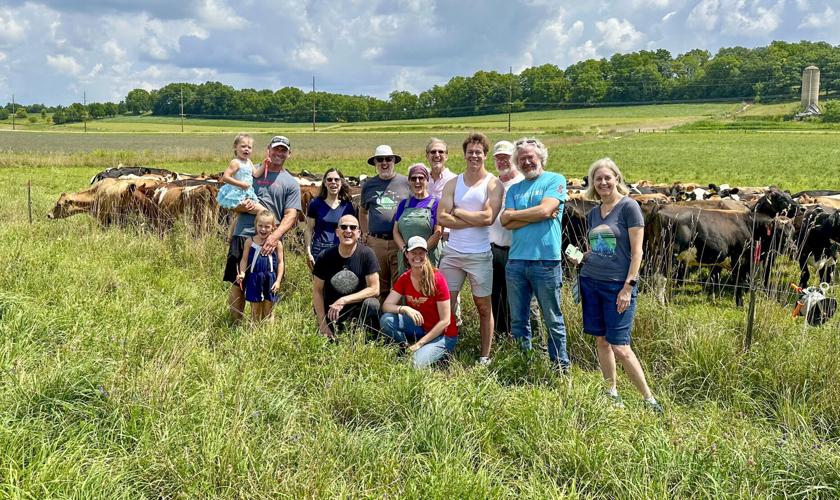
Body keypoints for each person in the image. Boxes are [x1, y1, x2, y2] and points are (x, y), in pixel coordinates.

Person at [572, 157, 661, 412]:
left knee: (621, 346)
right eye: (597, 179)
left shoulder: (629, 207)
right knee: (601, 341)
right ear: (593, 183)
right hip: (591, 282)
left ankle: (648, 399)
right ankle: (611, 392)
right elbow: (600, 249)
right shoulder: (593, 214)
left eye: (607, 178)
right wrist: (580, 256)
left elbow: (637, 253)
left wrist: (628, 287)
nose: (602, 182)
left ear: (617, 179)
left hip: (617, 287)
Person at [500, 137, 570, 372]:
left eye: (530, 157)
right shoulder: (514, 188)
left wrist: (518, 214)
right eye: (521, 159)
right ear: (517, 164)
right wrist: (538, 213)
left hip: (546, 262)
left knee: (553, 319)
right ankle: (524, 364)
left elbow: (546, 209)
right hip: (516, 261)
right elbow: (505, 221)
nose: (527, 162)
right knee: (519, 320)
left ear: (541, 157)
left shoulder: (555, 179)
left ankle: (560, 368)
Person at [437, 132, 504, 365]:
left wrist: (458, 211)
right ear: (464, 155)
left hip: (479, 254)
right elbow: (441, 218)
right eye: (470, 152)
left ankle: (485, 355)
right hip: (453, 253)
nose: (474, 156)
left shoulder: (493, 184)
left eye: (479, 152)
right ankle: (444, 348)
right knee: (446, 302)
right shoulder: (453, 183)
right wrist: (470, 218)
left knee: (483, 306)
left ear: (485, 155)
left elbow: (488, 217)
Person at [224, 135, 301, 323]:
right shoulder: (250, 171)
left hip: (269, 240)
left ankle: (263, 330)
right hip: (243, 234)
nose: (279, 153)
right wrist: (246, 206)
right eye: (276, 149)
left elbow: (291, 214)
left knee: (267, 283)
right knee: (238, 281)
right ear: (268, 150)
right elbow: (231, 199)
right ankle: (236, 324)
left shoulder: (290, 182)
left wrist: (274, 237)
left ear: (289, 154)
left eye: (283, 150)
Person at [380, 236, 457, 368]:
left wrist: (419, 344)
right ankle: (405, 347)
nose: (417, 256)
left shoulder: (437, 279)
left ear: (426, 254)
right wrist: (404, 309)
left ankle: (436, 352)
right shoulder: (405, 278)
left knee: (413, 365)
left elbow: (445, 321)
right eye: (413, 253)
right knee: (386, 320)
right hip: (421, 327)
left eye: (421, 252)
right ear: (407, 255)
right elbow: (386, 305)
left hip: (443, 334)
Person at [313, 214, 381, 339]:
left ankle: (369, 340)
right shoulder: (324, 257)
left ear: (359, 233)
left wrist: (344, 300)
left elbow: (375, 289)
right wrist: (323, 325)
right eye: (343, 227)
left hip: (356, 310)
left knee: (372, 304)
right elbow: (317, 291)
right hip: (332, 312)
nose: (348, 231)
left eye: (353, 227)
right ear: (337, 232)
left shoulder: (367, 254)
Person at [360, 145, 410, 302]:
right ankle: (379, 322)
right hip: (377, 242)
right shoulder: (369, 185)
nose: (384, 163)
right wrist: (365, 232)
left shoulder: (406, 182)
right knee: (378, 285)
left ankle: (396, 321)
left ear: (394, 161)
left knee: (400, 283)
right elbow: (363, 211)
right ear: (375, 162)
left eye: (388, 159)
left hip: (399, 241)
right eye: (380, 160)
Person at [488, 140, 525, 335]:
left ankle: (518, 337)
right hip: (493, 249)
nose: (502, 161)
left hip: (515, 249)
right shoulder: (492, 183)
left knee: (516, 296)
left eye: (506, 157)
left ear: (514, 158)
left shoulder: (521, 183)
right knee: (495, 295)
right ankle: (500, 335)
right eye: (498, 158)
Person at [393, 163, 442, 273]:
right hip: (406, 259)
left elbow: (438, 232)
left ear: (427, 180)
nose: (417, 181)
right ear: (409, 182)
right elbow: (395, 231)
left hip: (428, 257)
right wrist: (405, 251)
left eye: (421, 178)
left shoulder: (436, 204)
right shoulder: (403, 204)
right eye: (413, 178)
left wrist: (420, 253)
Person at [236, 210, 284, 322]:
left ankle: (269, 334)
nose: (263, 229)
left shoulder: (277, 244)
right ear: (255, 225)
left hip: (270, 278)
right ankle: (254, 333)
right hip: (254, 278)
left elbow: (281, 262)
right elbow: (244, 260)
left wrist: (278, 281)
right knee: (255, 310)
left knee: (269, 309)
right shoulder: (250, 241)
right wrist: (242, 273)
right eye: (260, 226)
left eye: (267, 226)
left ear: (273, 227)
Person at [304, 168, 356, 270]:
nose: (333, 182)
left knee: (340, 283)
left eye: (336, 180)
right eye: (329, 180)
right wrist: (308, 252)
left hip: (342, 249)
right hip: (319, 249)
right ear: (324, 183)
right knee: (319, 284)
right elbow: (309, 229)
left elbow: (353, 231)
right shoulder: (315, 204)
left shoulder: (348, 206)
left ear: (341, 182)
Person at [216, 133, 267, 213]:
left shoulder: (248, 161)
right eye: (243, 146)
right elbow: (225, 177)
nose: (246, 149)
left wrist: (264, 163)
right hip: (237, 193)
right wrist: (241, 184)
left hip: (247, 193)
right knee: (263, 211)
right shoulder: (235, 162)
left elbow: (256, 174)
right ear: (235, 147)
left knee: (257, 212)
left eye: (249, 147)